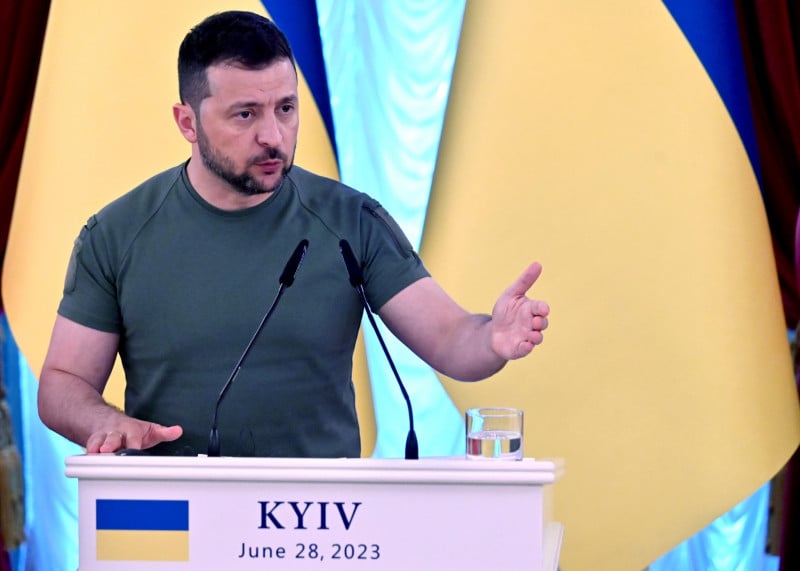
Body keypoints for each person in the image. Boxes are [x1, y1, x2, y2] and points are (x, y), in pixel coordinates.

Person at [36, 10, 549, 458]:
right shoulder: (116, 234)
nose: (273, 136)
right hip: (177, 522)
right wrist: (103, 422)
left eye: (285, 108)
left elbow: (452, 341)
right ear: (187, 122)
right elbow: (62, 385)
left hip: (324, 524)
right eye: (245, 115)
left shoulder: (352, 222)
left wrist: (493, 338)